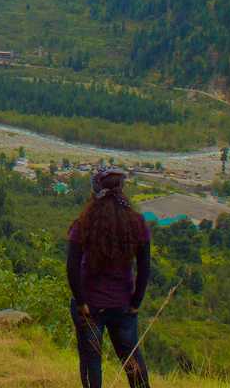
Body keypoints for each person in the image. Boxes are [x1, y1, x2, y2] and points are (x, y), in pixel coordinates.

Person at [66, 166, 151, 388]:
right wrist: (135, 302)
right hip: (122, 305)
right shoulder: (137, 223)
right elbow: (144, 267)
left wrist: (81, 301)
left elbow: (72, 267)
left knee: (91, 361)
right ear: (122, 189)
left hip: (90, 307)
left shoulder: (83, 223)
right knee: (132, 362)